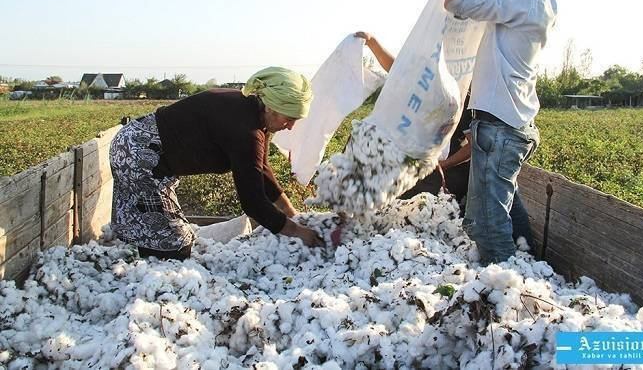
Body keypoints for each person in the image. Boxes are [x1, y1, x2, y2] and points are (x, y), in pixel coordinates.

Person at [444, 0, 568, 264]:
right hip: (507, 125)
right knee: (504, 206)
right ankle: (528, 267)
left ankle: (505, 294)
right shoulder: (539, 4)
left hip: (501, 130)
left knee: (486, 224)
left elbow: (456, 1)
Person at [109, 67, 324, 260]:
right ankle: (153, 284)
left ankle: (150, 261)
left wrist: (292, 213)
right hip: (139, 154)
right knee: (172, 243)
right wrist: (298, 233)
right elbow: (253, 202)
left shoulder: (252, 112)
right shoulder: (245, 130)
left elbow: (261, 170)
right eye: (289, 118)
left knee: (161, 230)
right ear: (271, 107)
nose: (290, 127)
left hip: (141, 146)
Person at [355, 32, 534, 249]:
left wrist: (441, 164)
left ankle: (522, 247)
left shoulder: (462, 98)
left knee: (501, 196)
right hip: (430, 163)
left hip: (455, 167)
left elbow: (470, 148)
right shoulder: (422, 90)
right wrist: (372, 42)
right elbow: (396, 70)